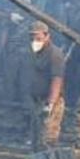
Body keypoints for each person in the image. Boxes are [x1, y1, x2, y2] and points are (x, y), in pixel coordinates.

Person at [27, 21, 66, 150]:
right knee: (36, 138)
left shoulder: (55, 54)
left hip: (50, 103)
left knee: (48, 139)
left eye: (38, 38)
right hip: (37, 101)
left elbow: (57, 79)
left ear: (47, 36)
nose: (34, 41)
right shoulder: (34, 52)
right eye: (32, 37)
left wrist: (50, 104)